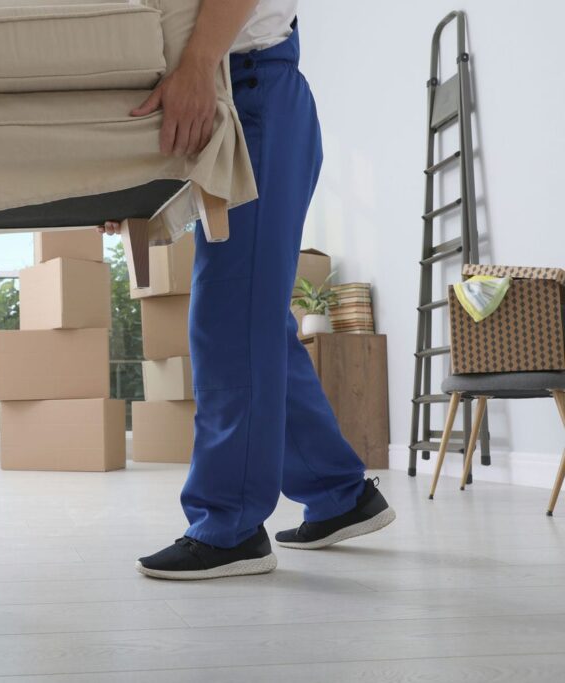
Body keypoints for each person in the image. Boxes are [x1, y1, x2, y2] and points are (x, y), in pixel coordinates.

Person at [103, 0, 395, 580]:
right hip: (240, 91)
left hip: (248, 89)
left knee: (232, 322)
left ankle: (229, 527)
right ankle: (339, 493)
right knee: (256, 322)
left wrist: (198, 65)